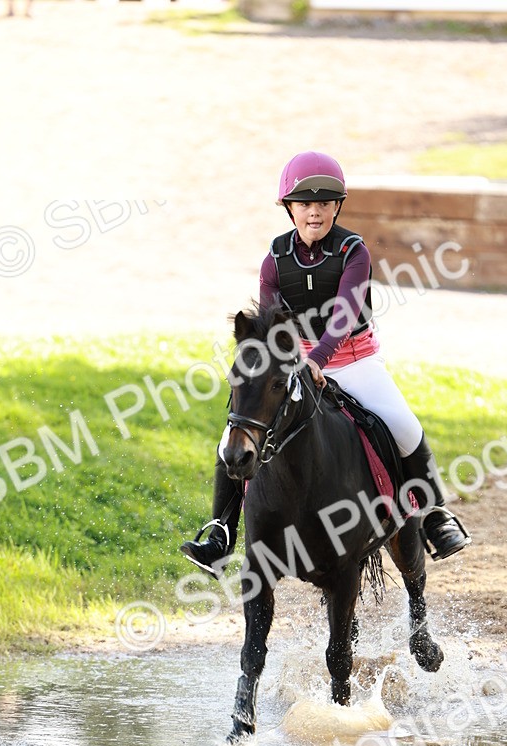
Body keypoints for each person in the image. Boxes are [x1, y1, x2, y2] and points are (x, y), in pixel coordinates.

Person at [180, 150, 470, 576]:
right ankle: (220, 534)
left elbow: (345, 315)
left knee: (405, 426)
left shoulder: (354, 252)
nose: (314, 212)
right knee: (234, 437)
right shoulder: (275, 259)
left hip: (355, 361)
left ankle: (434, 516)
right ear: (289, 208)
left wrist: (317, 359)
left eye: (324, 203)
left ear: (337, 207)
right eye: (304, 203)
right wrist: (288, 362)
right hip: (297, 363)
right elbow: (272, 326)